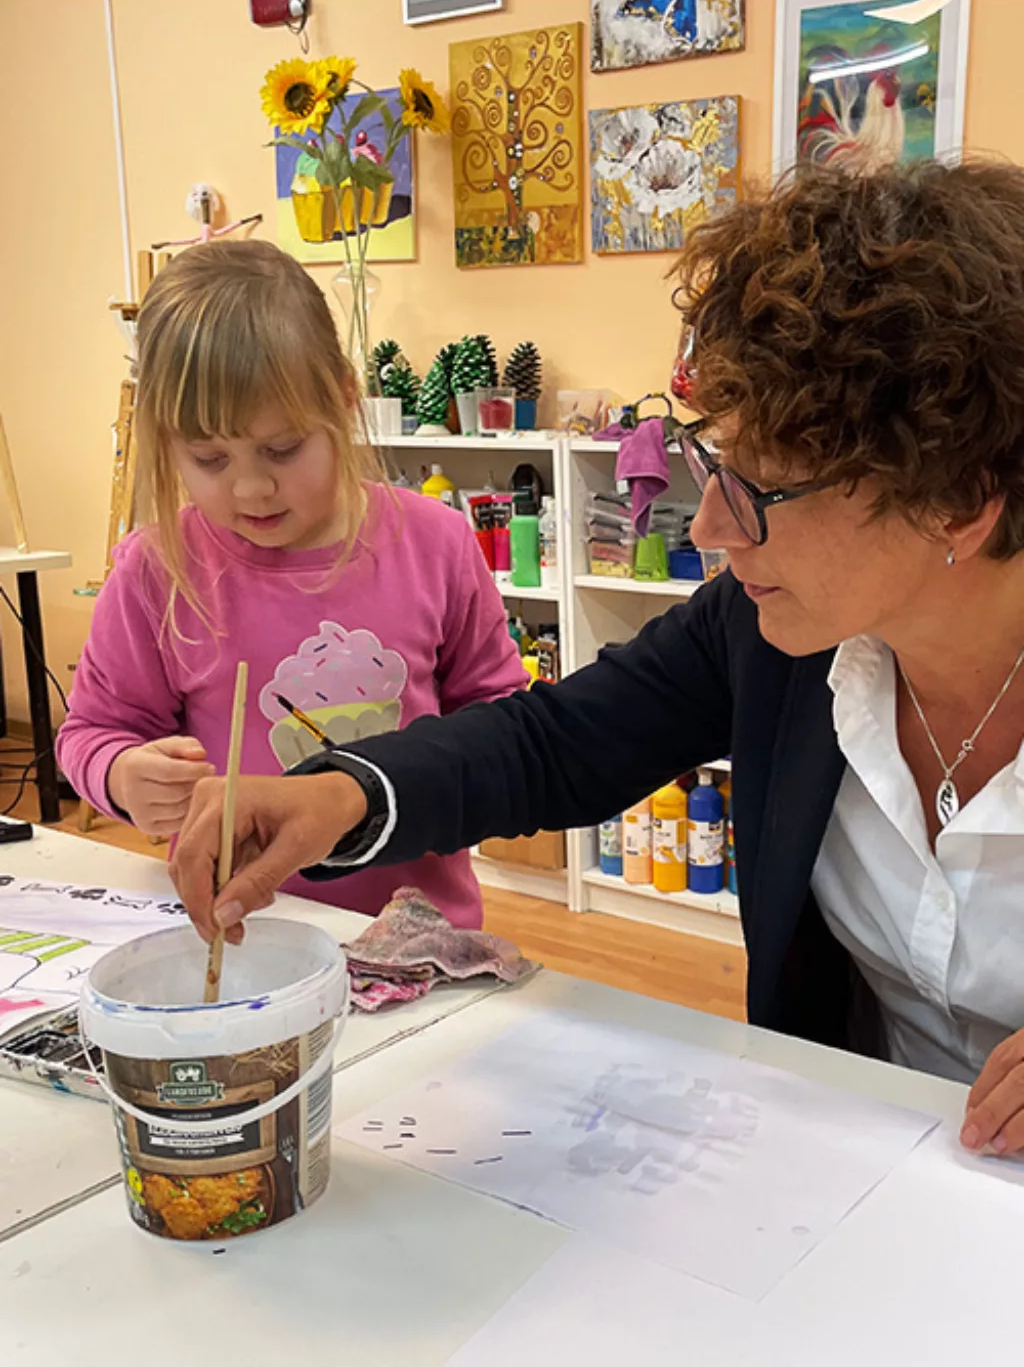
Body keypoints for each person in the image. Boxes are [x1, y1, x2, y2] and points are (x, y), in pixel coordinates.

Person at [172, 161, 1024, 1158]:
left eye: (759, 487)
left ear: (955, 500)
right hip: (865, 1171)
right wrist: (344, 796)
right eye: (714, 463)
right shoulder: (772, 636)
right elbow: (558, 740)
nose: (707, 524)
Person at [57, 239, 526, 928]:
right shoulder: (155, 570)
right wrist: (123, 775)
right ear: (166, 441)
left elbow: (499, 723)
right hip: (239, 931)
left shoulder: (436, 543)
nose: (251, 487)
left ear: (341, 399)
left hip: (412, 932)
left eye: (282, 449)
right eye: (209, 457)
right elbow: (94, 730)